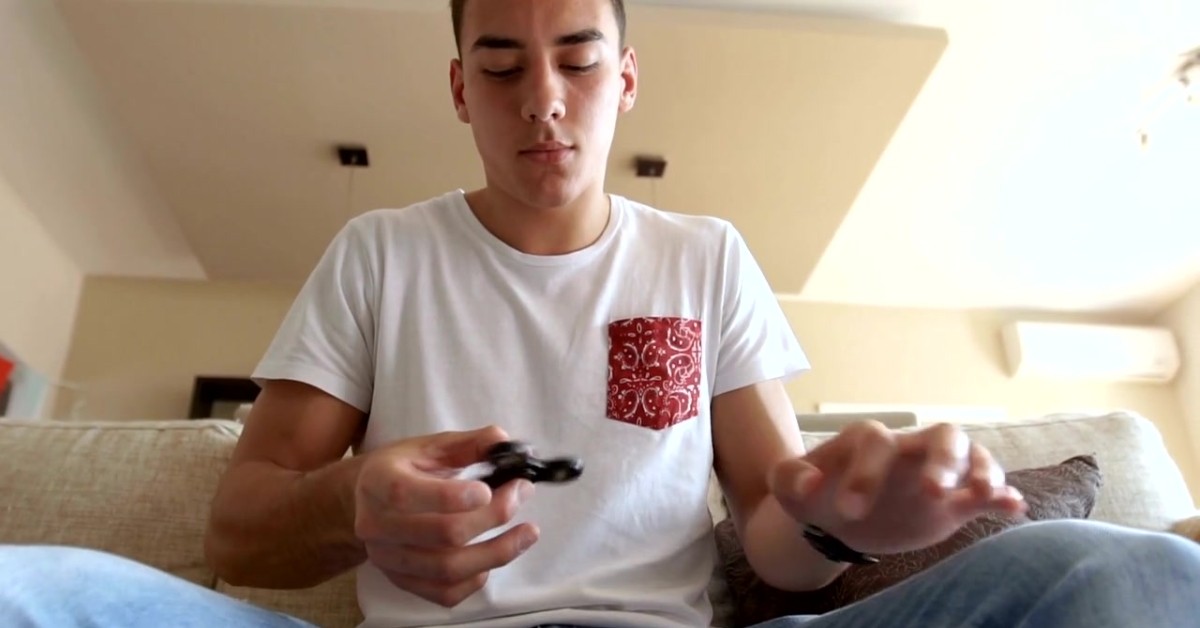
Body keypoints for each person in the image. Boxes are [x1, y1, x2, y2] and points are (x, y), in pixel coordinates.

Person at [3, 0, 1199, 627]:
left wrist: (846, 524)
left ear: (625, 79)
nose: (546, 104)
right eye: (505, 68)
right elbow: (240, 534)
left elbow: (776, 540)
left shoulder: (706, 255)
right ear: (460, 87)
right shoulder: (378, 251)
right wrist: (353, 502)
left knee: (1120, 578)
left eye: (578, 61)